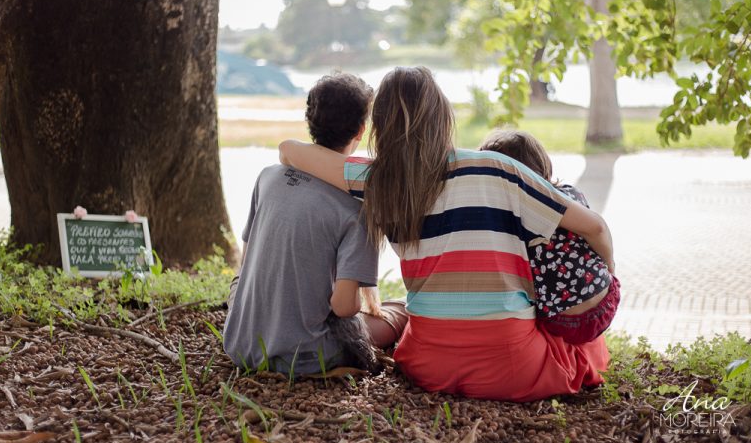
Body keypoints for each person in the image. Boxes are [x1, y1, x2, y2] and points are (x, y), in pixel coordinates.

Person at [278, 66, 613, 401]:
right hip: (513, 370)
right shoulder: (498, 168)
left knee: (407, 312)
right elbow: (594, 227)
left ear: (378, 125)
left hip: (427, 367)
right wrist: (609, 273)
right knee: (587, 344)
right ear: (443, 117)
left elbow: (289, 149)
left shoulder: (377, 180)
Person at [223, 72, 407, 375]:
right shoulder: (357, 210)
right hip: (303, 356)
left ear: (310, 120)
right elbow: (344, 308)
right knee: (400, 311)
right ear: (361, 130)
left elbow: (247, 265)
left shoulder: (267, 176)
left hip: (240, 343)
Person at [479, 129, 620, 344]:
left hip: (560, 320)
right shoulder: (570, 194)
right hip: (604, 301)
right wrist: (609, 265)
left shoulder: (508, 219)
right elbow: (598, 230)